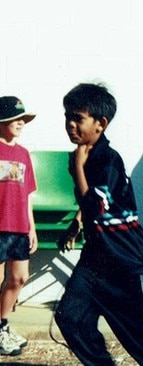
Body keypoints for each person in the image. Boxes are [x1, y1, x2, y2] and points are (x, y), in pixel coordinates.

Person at [54, 83, 143, 365]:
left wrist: (79, 172)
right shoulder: (85, 156)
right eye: (67, 117)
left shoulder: (107, 160)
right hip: (96, 260)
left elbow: (97, 206)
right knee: (70, 316)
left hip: (124, 260)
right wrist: (76, 224)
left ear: (101, 124)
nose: (70, 124)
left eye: (78, 118)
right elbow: (94, 207)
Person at [0, 96, 38, 356]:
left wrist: (31, 227)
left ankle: (1, 325)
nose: (21, 123)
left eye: (23, 119)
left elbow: (26, 194)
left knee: (19, 278)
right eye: (16, 119)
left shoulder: (23, 153)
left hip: (19, 228)